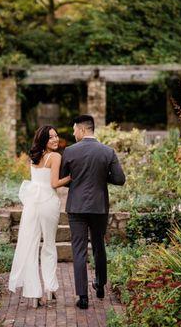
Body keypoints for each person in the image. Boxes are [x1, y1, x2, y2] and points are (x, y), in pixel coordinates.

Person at [60, 114, 125, 309]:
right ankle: (100, 285)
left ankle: (83, 297)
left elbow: (63, 178)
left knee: (79, 250)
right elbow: (120, 179)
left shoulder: (70, 151)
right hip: (99, 207)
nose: (73, 134)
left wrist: (78, 179)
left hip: (76, 207)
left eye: (74, 130)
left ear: (81, 130)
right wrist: (102, 177)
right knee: (98, 246)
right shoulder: (107, 151)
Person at [8, 125, 71, 308]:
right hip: (47, 203)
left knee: (30, 245)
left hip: (32, 202)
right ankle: (50, 289)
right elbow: (54, 183)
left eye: (56, 136)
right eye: (51, 137)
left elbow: (38, 180)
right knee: (49, 245)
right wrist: (70, 178)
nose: (55, 139)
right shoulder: (56, 156)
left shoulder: (34, 157)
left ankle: (33, 295)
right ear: (43, 139)